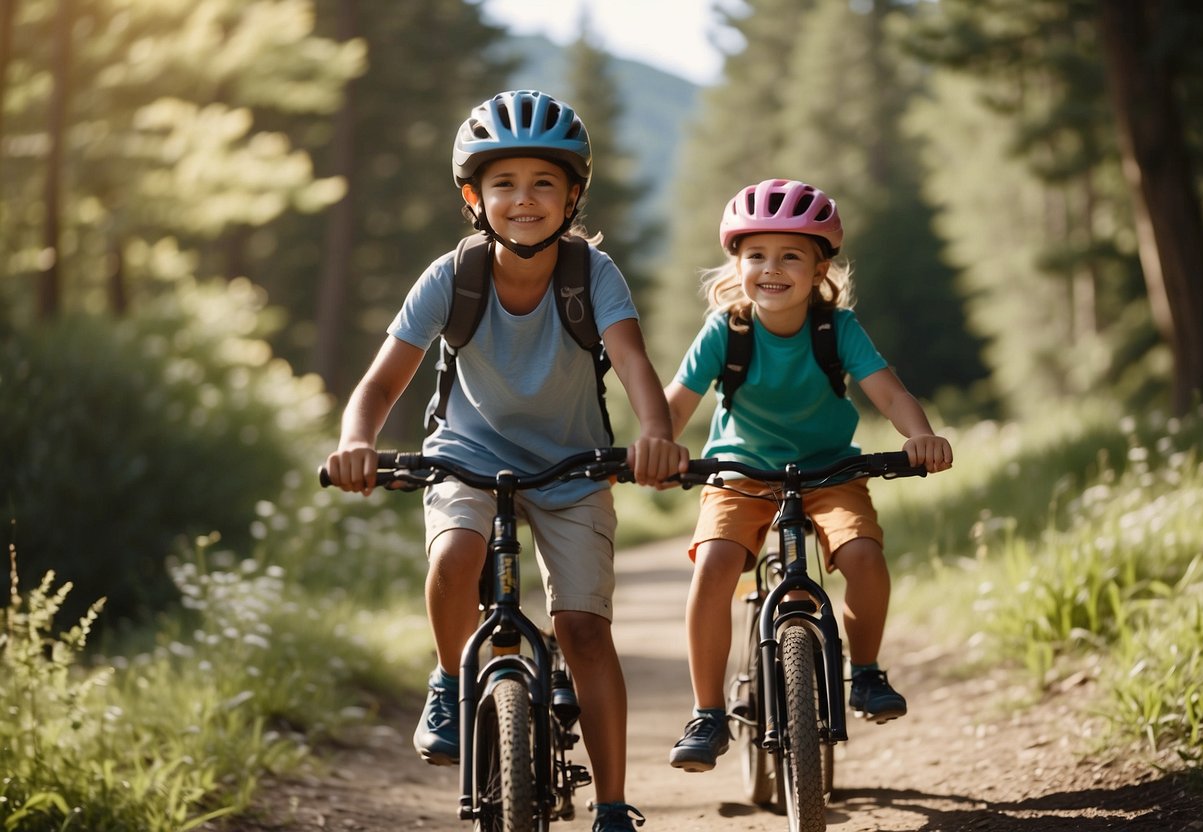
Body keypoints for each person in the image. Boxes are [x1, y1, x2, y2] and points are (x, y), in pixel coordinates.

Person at [325, 90, 685, 832]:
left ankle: (613, 805)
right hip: (466, 453)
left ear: (572, 194)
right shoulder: (451, 278)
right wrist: (357, 441)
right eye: (504, 184)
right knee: (455, 553)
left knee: (582, 628)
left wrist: (654, 434)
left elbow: (635, 367)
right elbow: (380, 383)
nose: (524, 200)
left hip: (574, 462)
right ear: (472, 195)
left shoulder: (593, 275)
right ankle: (447, 676)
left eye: (543, 183)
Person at [662, 178, 953, 772]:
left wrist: (918, 435)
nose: (771, 269)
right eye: (756, 256)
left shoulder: (836, 330)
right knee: (715, 567)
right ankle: (707, 712)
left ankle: (866, 671)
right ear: (736, 263)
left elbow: (890, 394)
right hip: (739, 472)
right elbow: (674, 406)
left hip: (829, 471)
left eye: (790, 255)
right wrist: (654, 446)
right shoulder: (727, 331)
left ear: (820, 266)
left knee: (864, 557)